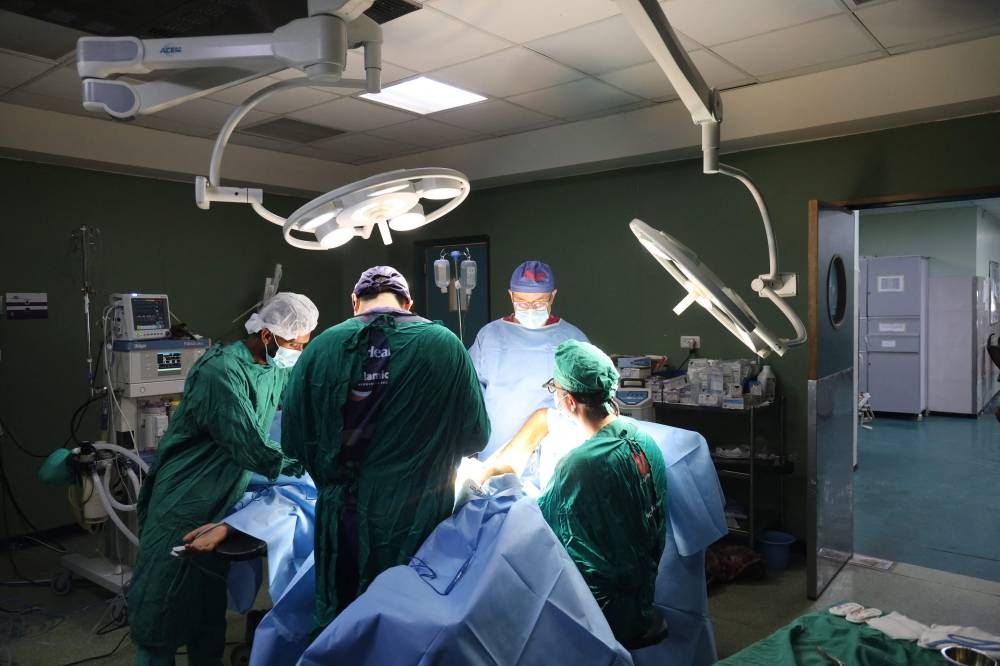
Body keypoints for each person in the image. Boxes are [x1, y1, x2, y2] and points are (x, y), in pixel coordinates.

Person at [281, 266, 489, 633]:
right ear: (408, 303)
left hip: (343, 520)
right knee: (409, 628)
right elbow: (476, 436)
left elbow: (294, 442)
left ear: (354, 303)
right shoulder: (445, 345)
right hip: (418, 520)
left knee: (347, 627)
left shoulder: (320, 348)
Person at [127, 292, 319, 665]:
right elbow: (250, 445)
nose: (298, 352)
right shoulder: (222, 372)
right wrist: (309, 467)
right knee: (162, 600)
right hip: (185, 495)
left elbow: (302, 388)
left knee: (206, 604)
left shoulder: (274, 365)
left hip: (223, 494)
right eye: (295, 344)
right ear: (268, 336)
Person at [490, 340, 668, 647]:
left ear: (570, 401)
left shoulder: (580, 464)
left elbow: (541, 529)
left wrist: (505, 492)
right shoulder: (644, 440)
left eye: (554, 389)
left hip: (601, 611)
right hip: (643, 594)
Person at [469, 260, 588, 460]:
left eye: (539, 302)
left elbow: (589, 401)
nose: (531, 309)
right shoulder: (490, 336)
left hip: (554, 452)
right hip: (496, 448)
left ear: (553, 296)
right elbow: (470, 392)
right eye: (522, 302)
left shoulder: (572, 339)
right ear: (511, 295)